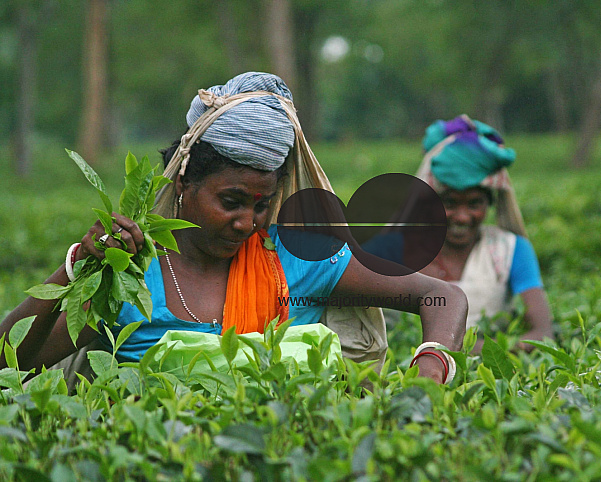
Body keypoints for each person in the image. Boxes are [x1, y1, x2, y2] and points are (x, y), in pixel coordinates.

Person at [0, 73, 467, 384]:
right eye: (231, 202)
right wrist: (74, 270)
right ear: (185, 180)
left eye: (263, 204)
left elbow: (443, 297)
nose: (248, 223)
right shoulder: (131, 277)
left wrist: (427, 375)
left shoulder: (301, 258)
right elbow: (11, 363)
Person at [415, 115, 552, 352]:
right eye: (450, 203)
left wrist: (481, 352)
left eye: (474, 204)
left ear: (489, 204)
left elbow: (542, 333)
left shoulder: (510, 250)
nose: (462, 217)